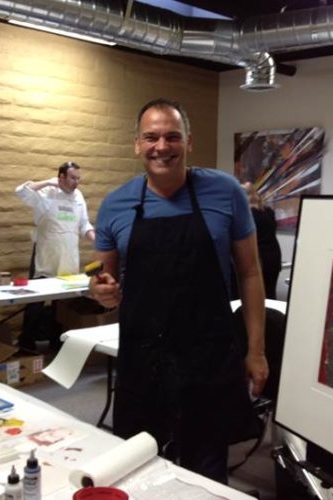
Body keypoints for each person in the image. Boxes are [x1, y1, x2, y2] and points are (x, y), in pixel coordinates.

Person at [89, 98, 268, 484]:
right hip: (143, 360)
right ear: (137, 144)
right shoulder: (116, 204)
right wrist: (101, 292)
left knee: (207, 472)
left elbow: (251, 273)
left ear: (189, 141)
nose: (162, 146)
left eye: (172, 136)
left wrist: (255, 351)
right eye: (151, 137)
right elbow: (102, 280)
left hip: (209, 357)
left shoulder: (225, 192)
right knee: (141, 468)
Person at [15, 161, 95, 349]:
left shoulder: (78, 196)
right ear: (61, 177)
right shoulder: (46, 193)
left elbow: (84, 224)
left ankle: (57, 341)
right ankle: (26, 342)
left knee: (62, 303)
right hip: (46, 255)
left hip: (68, 255)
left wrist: (97, 240)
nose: (76, 182)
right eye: (72, 178)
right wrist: (48, 182)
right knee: (36, 299)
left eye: (78, 178)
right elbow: (20, 191)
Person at [243, 182, 282, 299]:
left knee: (255, 296)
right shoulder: (269, 211)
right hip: (274, 255)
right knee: (270, 293)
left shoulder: (247, 215)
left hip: (259, 257)